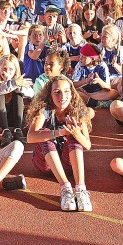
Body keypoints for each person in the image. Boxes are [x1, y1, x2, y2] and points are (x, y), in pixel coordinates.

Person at [26, 75, 93, 211]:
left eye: (66, 91)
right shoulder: (44, 111)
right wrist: (60, 132)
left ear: (72, 93)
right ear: (50, 95)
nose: (62, 96)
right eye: (57, 92)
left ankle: (81, 190)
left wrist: (75, 132)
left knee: (75, 136)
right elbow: (30, 137)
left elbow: (87, 145)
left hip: (67, 163)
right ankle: (66, 189)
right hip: (45, 164)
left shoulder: (77, 113)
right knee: (44, 134)